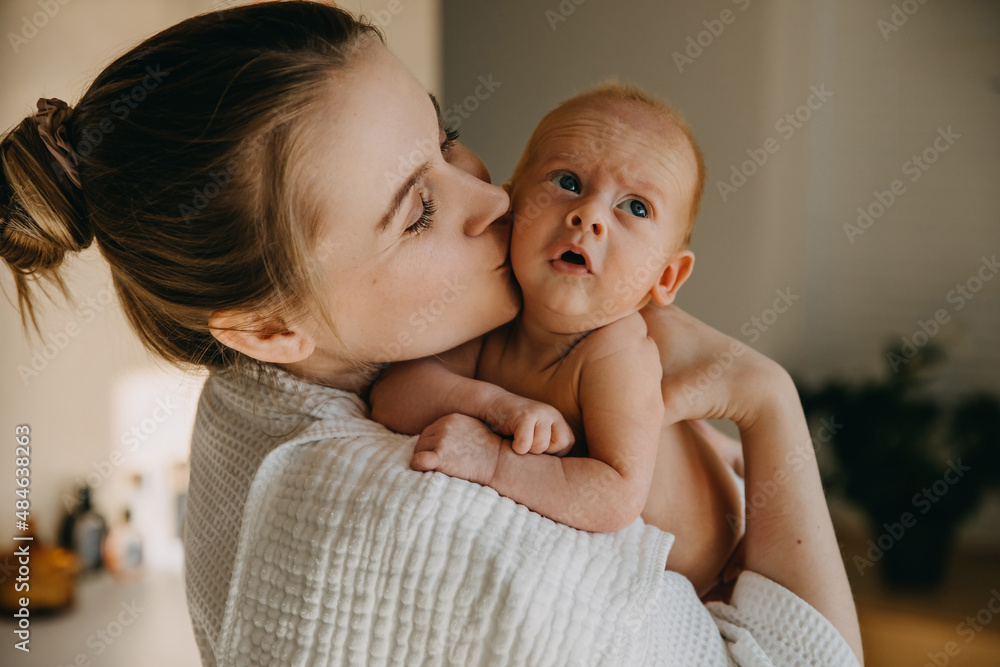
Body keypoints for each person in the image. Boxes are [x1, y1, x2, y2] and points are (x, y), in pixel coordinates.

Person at [0, 2, 863, 665]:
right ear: (267, 326)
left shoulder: (261, 397)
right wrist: (766, 399)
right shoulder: (437, 532)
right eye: (418, 211)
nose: (493, 200)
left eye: (446, 137)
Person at [369, 83, 746, 596]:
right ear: (513, 207)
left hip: (717, 562)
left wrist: (495, 461)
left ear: (667, 278)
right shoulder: (496, 310)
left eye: (635, 208)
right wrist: (490, 405)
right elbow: (392, 395)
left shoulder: (615, 351)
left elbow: (614, 495)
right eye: (568, 181)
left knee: (657, 426)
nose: (588, 214)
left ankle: (715, 451)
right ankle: (710, 444)